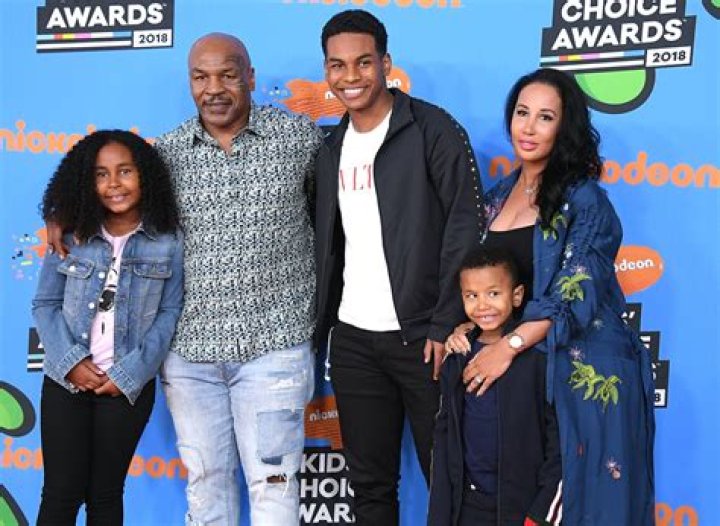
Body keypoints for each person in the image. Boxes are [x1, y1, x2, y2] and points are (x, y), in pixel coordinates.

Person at [46, 34, 323, 525]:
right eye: (200, 77)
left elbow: (344, 207)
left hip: (275, 348)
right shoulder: (165, 156)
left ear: (250, 77)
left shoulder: (299, 138)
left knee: (275, 489)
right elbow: (111, 202)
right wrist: (59, 214)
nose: (214, 88)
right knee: (205, 488)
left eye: (228, 74)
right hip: (190, 356)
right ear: (190, 83)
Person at [446, 68, 655, 524]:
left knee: (584, 505)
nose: (529, 127)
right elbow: (493, 282)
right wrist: (472, 325)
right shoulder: (497, 198)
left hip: (582, 373)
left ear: (565, 127)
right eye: (522, 113)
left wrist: (509, 346)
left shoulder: (585, 200)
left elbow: (574, 291)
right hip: (524, 378)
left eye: (545, 117)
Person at [315, 10, 483, 525]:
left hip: (423, 338)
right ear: (326, 71)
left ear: (386, 63)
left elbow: (465, 227)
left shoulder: (433, 129)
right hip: (353, 341)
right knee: (369, 487)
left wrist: (444, 321)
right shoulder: (330, 148)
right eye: (337, 65)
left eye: (363, 62)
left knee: (448, 478)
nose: (351, 76)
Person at [33, 130, 183, 525]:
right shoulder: (71, 235)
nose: (114, 183)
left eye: (125, 171)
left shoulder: (168, 242)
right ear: (87, 182)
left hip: (125, 387)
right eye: (101, 174)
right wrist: (70, 362)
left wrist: (129, 373)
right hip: (65, 384)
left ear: (145, 175)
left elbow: (170, 312)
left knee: (105, 495)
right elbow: (45, 304)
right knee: (60, 494)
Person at [428, 247, 561, 526]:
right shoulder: (457, 357)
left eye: (493, 293)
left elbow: (558, 444)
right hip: (468, 507)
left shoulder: (537, 360)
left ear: (517, 295)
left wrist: (541, 514)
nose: (482, 305)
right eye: (472, 296)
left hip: (523, 507)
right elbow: (445, 442)